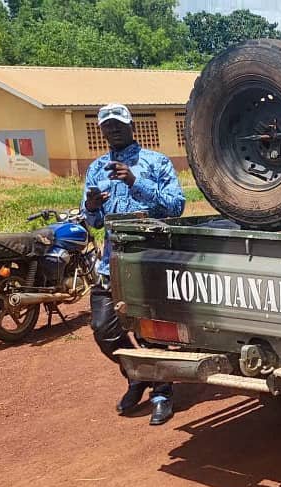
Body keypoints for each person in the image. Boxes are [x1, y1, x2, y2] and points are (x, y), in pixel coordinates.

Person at [83, 103, 186, 425]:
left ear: (131, 127)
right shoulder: (97, 168)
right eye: (107, 126)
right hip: (110, 264)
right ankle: (135, 376)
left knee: (151, 332)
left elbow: (176, 206)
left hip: (147, 262)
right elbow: (95, 222)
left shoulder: (156, 163)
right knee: (104, 330)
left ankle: (161, 392)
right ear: (102, 131)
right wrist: (90, 207)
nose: (113, 130)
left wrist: (134, 182)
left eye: (118, 124)